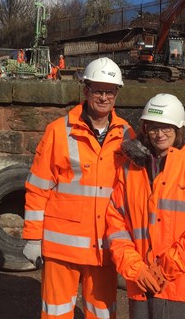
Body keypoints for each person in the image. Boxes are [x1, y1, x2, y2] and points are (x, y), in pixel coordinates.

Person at [22, 57, 135, 319]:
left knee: (103, 314)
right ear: (86, 91)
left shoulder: (128, 135)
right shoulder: (58, 132)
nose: (104, 97)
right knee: (57, 313)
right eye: (98, 90)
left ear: (117, 93)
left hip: (105, 248)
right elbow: (38, 188)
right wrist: (32, 237)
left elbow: (134, 193)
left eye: (110, 91)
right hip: (62, 248)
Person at [106, 93, 185, 319]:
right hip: (144, 288)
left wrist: (166, 268)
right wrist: (136, 269)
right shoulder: (129, 171)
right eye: (153, 127)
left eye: (166, 127)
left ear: (178, 129)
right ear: (145, 129)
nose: (159, 134)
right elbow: (116, 225)